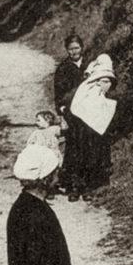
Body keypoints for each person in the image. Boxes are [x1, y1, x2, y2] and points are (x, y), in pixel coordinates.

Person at [65, 54, 117, 202]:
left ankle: (86, 186)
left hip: (91, 127)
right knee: (77, 154)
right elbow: (77, 98)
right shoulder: (87, 82)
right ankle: (76, 186)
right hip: (79, 124)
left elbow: (106, 91)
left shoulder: (106, 77)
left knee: (89, 155)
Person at [54, 34, 85, 197]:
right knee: (73, 147)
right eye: (71, 49)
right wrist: (62, 114)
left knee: (88, 147)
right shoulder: (63, 69)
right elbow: (58, 95)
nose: (74, 52)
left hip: (88, 113)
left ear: (82, 48)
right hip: (72, 113)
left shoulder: (89, 66)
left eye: (77, 48)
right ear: (67, 50)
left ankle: (86, 185)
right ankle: (72, 185)